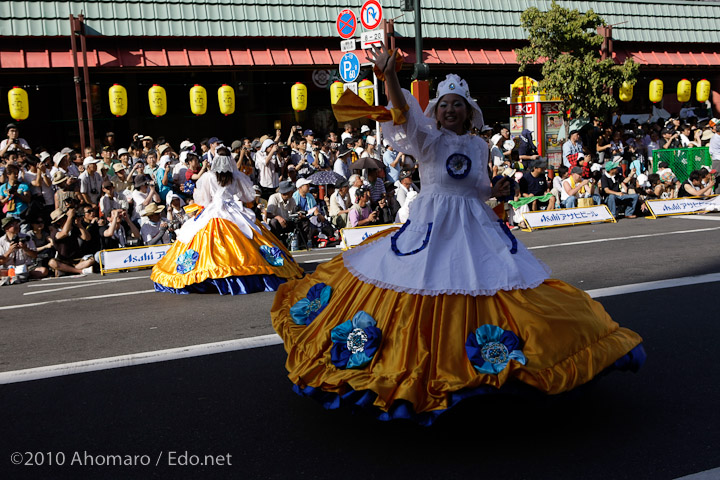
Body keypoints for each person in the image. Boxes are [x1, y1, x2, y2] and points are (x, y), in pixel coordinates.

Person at [271, 47, 644, 425]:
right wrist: (390, 78)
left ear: (469, 111)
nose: (450, 110)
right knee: (427, 286)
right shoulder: (427, 140)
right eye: (444, 104)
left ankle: (485, 367)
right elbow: (405, 114)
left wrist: (494, 191)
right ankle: (425, 368)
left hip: (475, 225)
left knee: (487, 285)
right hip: (432, 227)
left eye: (457, 105)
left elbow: (477, 187)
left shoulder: (479, 145)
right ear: (436, 110)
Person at [151, 148, 302, 294]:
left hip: (214, 210)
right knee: (249, 236)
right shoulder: (235, 176)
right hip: (233, 210)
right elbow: (246, 196)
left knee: (200, 236)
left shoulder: (210, 176)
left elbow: (204, 199)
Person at [0, 217, 49, 281]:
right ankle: (13, 276)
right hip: (8, 269)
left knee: (43, 271)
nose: (16, 226)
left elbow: (34, 255)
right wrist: (9, 251)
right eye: (12, 224)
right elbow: (1, 261)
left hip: (26, 268)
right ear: (6, 228)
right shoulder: (1, 241)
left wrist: (25, 248)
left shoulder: (26, 237)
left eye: (17, 223)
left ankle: (18, 277)